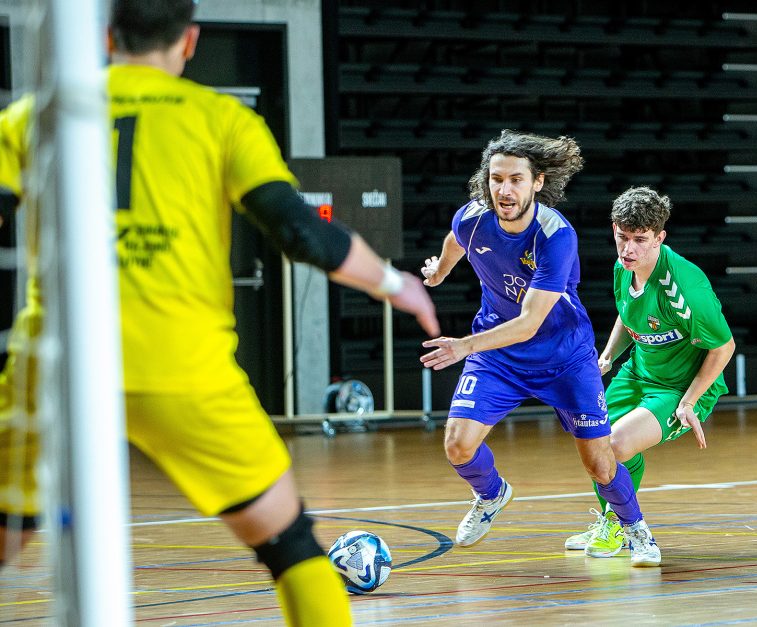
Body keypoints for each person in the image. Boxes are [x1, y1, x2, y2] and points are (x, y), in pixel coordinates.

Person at [0, 1, 440, 625]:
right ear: (189, 41)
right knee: (292, 550)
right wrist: (397, 284)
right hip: (186, 371)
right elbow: (301, 233)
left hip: (53, 369)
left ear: (104, 35)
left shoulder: (34, 114)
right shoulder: (219, 120)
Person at [419, 130, 659, 563]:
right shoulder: (472, 218)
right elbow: (456, 241)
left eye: (515, 179)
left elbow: (530, 322)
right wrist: (439, 271)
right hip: (498, 355)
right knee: (457, 444)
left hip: (563, 357)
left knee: (600, 465)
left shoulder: (555, 235)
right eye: (496, 179)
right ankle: (490, 494)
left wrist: (462, 347)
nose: (503, 190)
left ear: (538, 183)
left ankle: (635, 529)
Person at [564, 186, 735, 555]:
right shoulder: (623, 268)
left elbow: (724, 346)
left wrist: (690, 401)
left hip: (678, 390)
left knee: (615, 445)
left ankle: (622, 527)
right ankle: (611, 519)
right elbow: (630, 317)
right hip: (636, 374)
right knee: (592, 445)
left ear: (659, 238)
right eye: (622, 238)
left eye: (640, 240)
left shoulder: (686, 288)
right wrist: (607, 356)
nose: (629, 249)